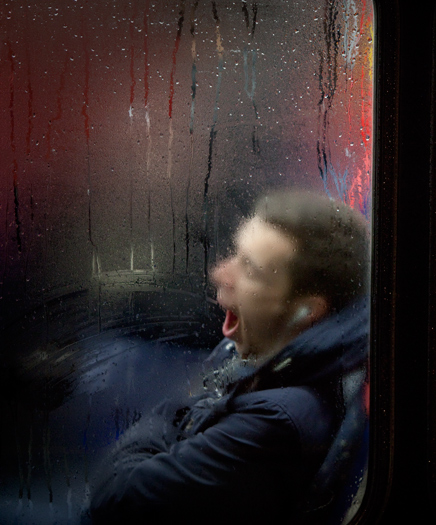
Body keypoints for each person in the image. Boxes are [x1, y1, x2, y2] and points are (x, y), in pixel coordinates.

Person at [88, 191, 370, 524]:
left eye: (250, 270)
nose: (220, 274)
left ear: (307, 310)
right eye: (236, 253)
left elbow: (120, 498)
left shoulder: (279, 420)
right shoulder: (271, 365)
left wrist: (178, 410)